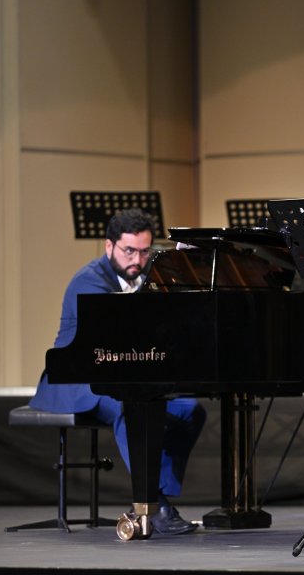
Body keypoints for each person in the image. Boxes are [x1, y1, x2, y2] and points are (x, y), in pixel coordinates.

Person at [30, 207, 206, 535]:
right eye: (129, 251)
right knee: (132, 407)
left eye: (144, 251)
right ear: (109, 246)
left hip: (121, 375)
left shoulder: (146, 276)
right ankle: (155, 504)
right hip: (77, 380)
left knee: (191, 411)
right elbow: (120, 328)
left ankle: (155, 497)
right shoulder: (89, 280)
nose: (137, 259)